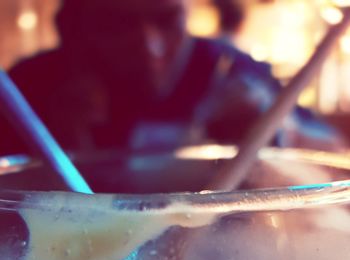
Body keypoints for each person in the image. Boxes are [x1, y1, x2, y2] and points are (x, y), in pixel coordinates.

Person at [0, 0, 346, 158]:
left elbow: (336, 152)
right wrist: (44, 144)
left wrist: (279, 135)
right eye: (116, 24)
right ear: (75, 26)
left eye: (166, 20)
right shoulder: (32, 87)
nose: (149, 47)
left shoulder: (227, 68)